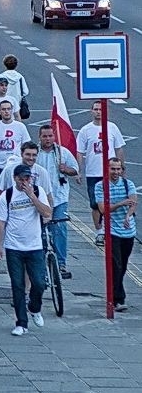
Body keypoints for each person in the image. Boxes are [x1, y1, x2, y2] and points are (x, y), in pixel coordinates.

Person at [0, 163, 52, 336]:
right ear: (15, 179)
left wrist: (32, 197)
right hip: (14, 246)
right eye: (22, 179)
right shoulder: (8, 195)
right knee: (17, 285)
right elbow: (1, 222)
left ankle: (34, 307)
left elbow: (47, 212)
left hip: (34, 246)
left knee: (39, 282)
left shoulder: (38, 191)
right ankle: (21, 322)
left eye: (28, 178)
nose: (25, 182)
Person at [76, 100, 125, 245]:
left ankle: (112, 230)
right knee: (96, 204)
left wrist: (121, 168)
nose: (98, 112)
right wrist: (79, 170)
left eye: (101, 109)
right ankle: (99, 232)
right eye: (96, 109)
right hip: (93, 172)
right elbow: (79, 151)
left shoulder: (112, 128)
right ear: (91, 111)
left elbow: (119, 148)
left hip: (110, 173)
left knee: (113, 201)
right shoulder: (86, 130)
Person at [37, 124, 80, 278]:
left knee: (60, 229)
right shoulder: (36, 153)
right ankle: (40, 262)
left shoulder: (63, 152)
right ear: (40, 137)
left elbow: (75, 170)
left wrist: (66, 169)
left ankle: (61, 263)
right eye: (45, 136)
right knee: (40, 231)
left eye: (50, 136)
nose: (48, 139)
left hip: (59, 197)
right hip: (41, 199)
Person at [95, 159, 137, 312]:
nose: (116, 172)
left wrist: (128, 216)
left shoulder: (128, 184)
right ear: (107, 170)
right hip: (112, 231)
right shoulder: (100, 186)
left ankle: (114, 293)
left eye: (118, 169)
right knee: (116, 265)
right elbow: (103, 210)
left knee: (123, 265)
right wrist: (120, 204)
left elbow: (133, 203)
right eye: (113, 169)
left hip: (128, 231)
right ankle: (119, 298)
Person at [0, 141, 53, 207]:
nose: (31, 158)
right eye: (28, 154)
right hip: (13, 211)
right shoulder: (9, 170)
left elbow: (48, 195)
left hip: (35, 212)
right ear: (21, 154)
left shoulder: (42, 172)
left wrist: (49, 216)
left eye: (34, 155)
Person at [0, 100, 30, 180]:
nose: (6, 111)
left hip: (16, 165)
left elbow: (26, 146)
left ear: (12, 110)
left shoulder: (20, 126)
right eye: (4, 109)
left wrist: (26, 162)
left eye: (8, 109)